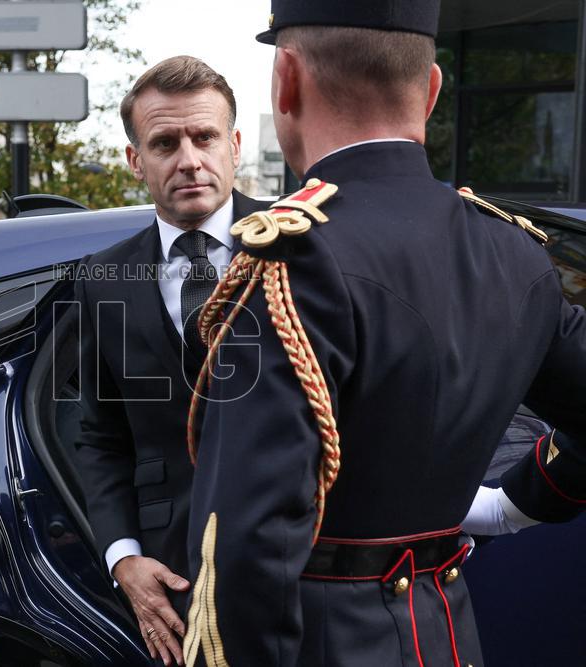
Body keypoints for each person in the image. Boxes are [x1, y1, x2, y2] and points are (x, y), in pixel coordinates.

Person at [183, 2, 586, 666]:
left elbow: (244, 554)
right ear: (431, 90)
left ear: (286, 79)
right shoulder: (513, 254)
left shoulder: (292, 261)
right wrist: (511, 503)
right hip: (450, 635)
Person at [73, 56, 270, 667]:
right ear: (137, 161)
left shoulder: (303, 251)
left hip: (301, 562)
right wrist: (123, 557)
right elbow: (94, 434)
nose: (189, 159)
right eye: (165, 142)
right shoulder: (101, 279)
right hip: (169, 580)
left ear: (234, 145)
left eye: (205, 137)